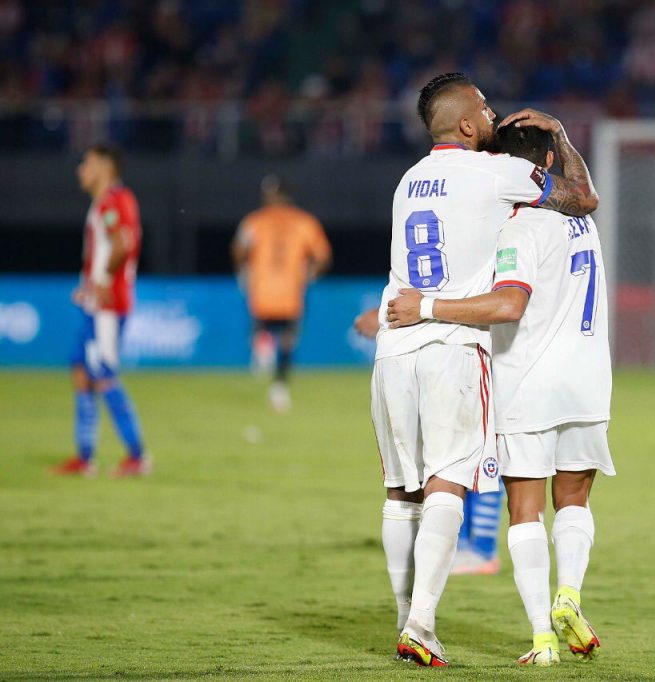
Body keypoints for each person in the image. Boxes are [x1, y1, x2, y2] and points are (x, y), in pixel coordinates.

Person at [373, 72, 598, 667]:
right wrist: (558, 134)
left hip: (394, 344)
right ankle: (420, 623)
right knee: (447, 480)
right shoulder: (498, 173)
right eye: (486, 106)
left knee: (401, 488)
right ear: (469, 125)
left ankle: (404, 618)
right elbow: (581, 199)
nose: (494, 112)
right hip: (450, 340)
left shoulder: (408, 179)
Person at [354, 305, 507, 577]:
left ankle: (481, 548)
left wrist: (383, 314)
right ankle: (465, 545)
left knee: (482, 451)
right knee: (465, 451)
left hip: (486, 351)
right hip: (474, 349)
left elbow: (459, 286)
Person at [52, 143, 149, 478]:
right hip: (96, 303)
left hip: (108, 306)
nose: (81, 170)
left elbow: (123, 244)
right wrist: (90, 284)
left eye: (87, 164)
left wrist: (103, 281)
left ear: (106, 168)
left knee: (104, 374)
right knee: (81, 371)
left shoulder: (113, 201)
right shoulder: (108, 202)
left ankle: (137, 456)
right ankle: (85, 457)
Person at [232, 176, 332, 412]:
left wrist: (243, 270)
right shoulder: (304, 222)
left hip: (262, 289)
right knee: (288, 339)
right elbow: (323, 257)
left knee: (262, 326)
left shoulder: (255, 221)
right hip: (290, 291)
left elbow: (238, 249)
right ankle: (279, 387)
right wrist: (311, 274)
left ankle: (262, 343)